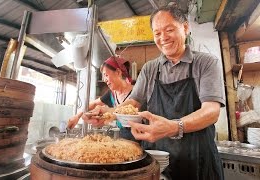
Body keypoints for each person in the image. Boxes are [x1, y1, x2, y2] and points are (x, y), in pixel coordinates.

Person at [82, 5, 225, 180]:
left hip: (199, 162)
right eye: (157, 33)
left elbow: (211, 112)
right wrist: (108, 115)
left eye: (169, 30)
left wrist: (174, 127)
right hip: (159, 161)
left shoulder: (206, 63)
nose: (163, 38)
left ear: (185, 28)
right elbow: (133, 103)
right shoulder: (151, 68)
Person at [67, 56, 137, 141]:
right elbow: (94, 104)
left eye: (106, 75)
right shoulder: (112, 94)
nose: (104, 80)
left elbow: (134, 104)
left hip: (142, 141)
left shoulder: (137, 91)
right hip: (123, 140)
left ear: (118, 72)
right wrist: (77, 116)